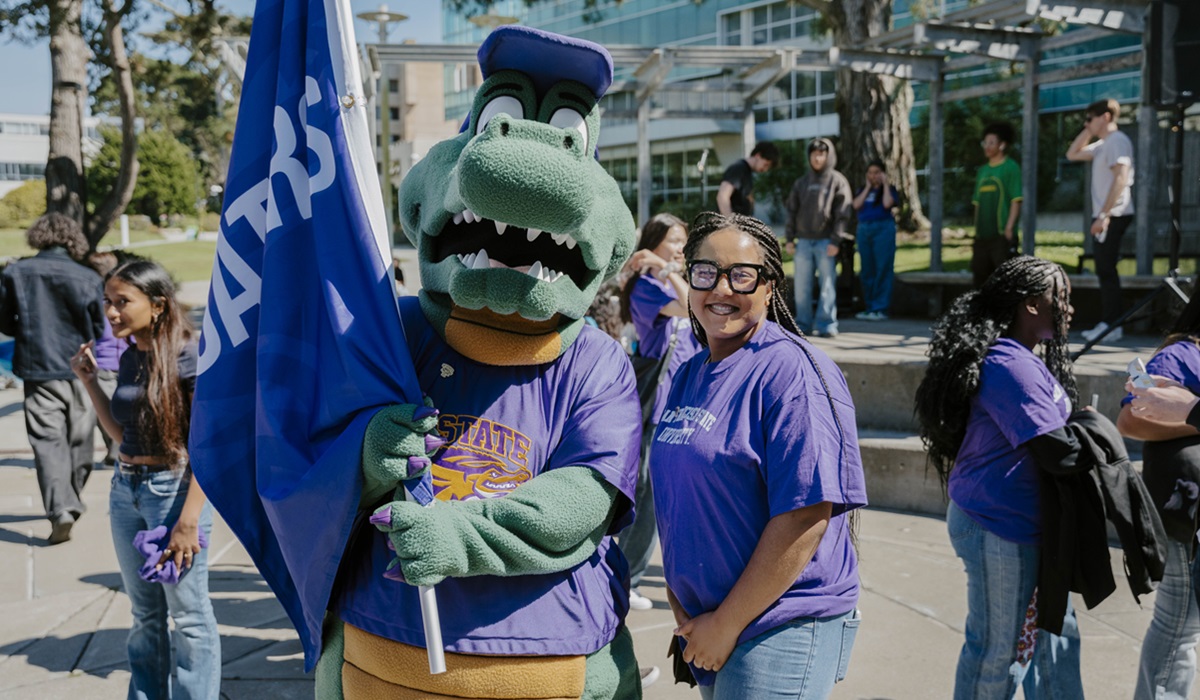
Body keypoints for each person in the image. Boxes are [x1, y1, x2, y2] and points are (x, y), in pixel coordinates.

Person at [651, 211, 866, 698]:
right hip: (709, 623)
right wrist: (678, 595)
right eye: (705, 272)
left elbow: (806, 514)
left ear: (770, 287)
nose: (721, 289)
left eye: (741, 275)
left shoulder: (793, 372)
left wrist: (726, 623)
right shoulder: (691, 372)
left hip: (778, 625)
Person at [914, 255, 1086, 699]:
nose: (1069, 309)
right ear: (1031, 304)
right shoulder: (1009, 364)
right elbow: (1058, 450)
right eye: (1061, 298)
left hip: (1020, 524)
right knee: (997, 653)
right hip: (997, 526)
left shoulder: (1026, 358)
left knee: (1040, 644)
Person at [71, 260, 221, 699]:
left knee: (189, 615)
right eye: (107, 303)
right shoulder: (132, 353)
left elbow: (209, 446)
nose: (111, 313)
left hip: (172, 493)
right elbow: (122, 436)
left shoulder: (189, 353)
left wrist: (189, 520)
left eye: (122, 302)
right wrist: (90, 382)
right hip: (125, 490)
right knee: (145, 614)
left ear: (157, 305)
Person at [0, 213, 105, 544]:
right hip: (81, 367)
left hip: (38, 366)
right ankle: (69, 499)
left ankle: (61, 505)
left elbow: (4, 323)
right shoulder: (87, 277)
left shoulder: (15, 273)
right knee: (80, 439)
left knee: (47, 441)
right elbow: (100, 327)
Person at [617, 213, 703, 612]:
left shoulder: (667, 278)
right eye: (673, 242)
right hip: (657, 408)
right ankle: (627, 576)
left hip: (688, 405)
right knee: (647, 495)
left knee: (678, 497)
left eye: (684, 243)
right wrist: (662, 269)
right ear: (652, 243)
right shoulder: (648, 287)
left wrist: (667, 266)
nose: (681, 250)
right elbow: (693, 307)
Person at [1117, 292, 1200, 700]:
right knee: (1179, 625)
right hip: (1185, 514)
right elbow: (1131, 418)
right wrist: (1192, 417)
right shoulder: (1182, 354)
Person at [1067, 98, 1135, 343]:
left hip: (1114, 214)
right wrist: (1088, 128)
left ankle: (1112, 325)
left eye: (1090, 118)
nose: (1087, 123)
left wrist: (1104, 215)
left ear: (1105, 116)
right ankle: (1110, 323)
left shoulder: (1117, 141)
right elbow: (1072, 153)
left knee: (1107, 270)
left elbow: (1121, 178)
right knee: (1104, 270)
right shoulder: (1102, 144)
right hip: (1106, 215)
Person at [785, 138, 852, 338]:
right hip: (803, 242)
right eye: (814, 153)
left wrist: (835, 240)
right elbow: (791, 211)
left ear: (828, 156)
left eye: (822, 153)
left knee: (827, 285)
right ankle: (803, 324)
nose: (817, 157)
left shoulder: (837, 181)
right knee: (802, 287)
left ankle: (826, 324)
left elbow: (843, 212)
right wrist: (790, 238)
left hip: (826, 242)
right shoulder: (801, 183)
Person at [86, 251, 129, 467]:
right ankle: (115, 450)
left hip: (110, 362)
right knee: (114, 409)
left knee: (106, 409)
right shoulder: (119, 300)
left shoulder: (97, 301)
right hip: (115, 362)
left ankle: (115, 450)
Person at [971, 122, 1023, 289]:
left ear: (1002, 145)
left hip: (1001, 236)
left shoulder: (1011, 167)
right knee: (980, 278)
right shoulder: (982, 171)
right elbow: (977, 203)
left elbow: (1016, 199)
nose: (987, 146)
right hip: (982, 236)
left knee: (1003, 280)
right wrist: (976, 229)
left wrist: (1009, 228)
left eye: (991, 142)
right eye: (985, 142)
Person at [852, 159, 900, 321]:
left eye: (877, 172)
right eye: (870, 173)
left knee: (883, 267)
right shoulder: (862, 190)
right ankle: (870, 307)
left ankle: (880, 307)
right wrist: (867, 187)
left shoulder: (890, 190)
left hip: (883, 229)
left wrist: (885, 184)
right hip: (864, 229)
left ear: (883, 173)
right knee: (867, 269)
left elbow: (887, 204)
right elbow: (855, 205)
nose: (873, 176)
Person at [716, 142, 778, 217]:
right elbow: (723, 196)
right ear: (758, 155)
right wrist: (729, 223)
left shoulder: (747, 171)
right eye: (766, 164)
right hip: (731, 224)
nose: (765, 170)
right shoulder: (738, 168)